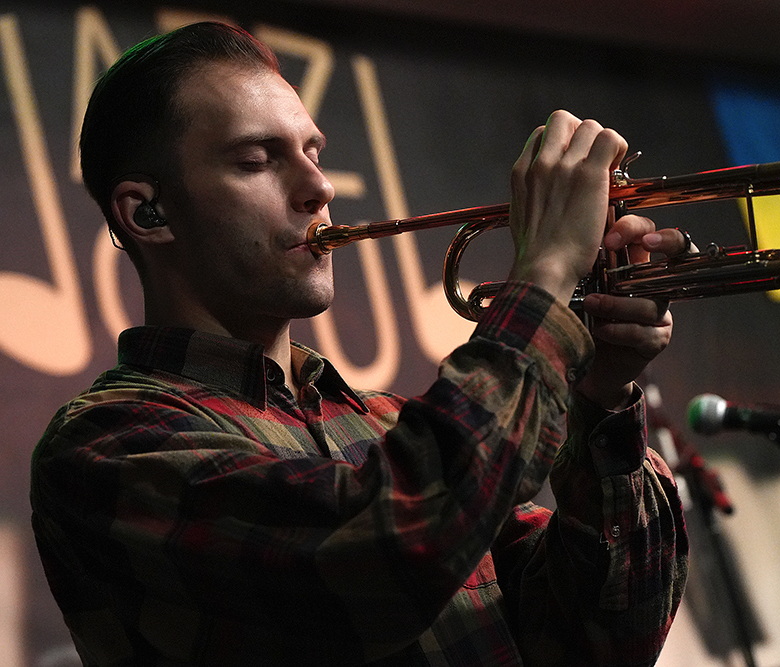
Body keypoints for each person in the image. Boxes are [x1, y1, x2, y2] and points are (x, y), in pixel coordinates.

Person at [30, 21, 689, 667]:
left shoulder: (393, 427)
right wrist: (545, 276)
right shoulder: (107, 444)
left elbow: (606, 639)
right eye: (257, 159)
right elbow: (396, 549)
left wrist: (601, 390)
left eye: (313, 152)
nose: (320, 188)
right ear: (147, 212)